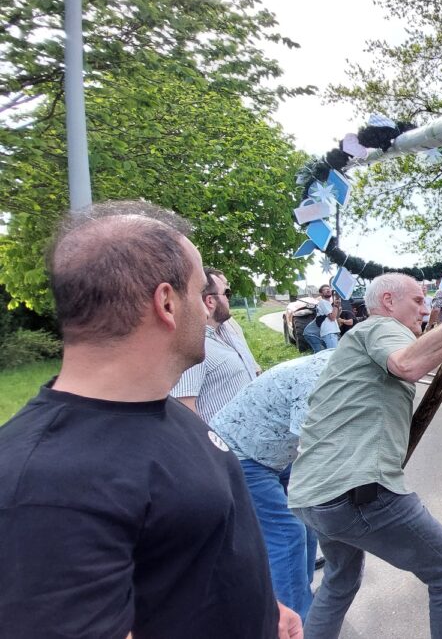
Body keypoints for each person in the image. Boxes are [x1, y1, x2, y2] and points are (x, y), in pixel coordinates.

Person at [0, 201, 300, 638]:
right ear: (166, 302)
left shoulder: (165, 409)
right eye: (200, 294)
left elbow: (188, 558)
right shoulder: (44, 483)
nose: (208, 309)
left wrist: (261, 608)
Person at [289, 269, 442, 639]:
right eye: (417, 299)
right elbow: (408, 364)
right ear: (388, 301)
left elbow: (423, 353)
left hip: (311, 494)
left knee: (340, 580)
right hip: (355, 489)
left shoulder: (358, 339)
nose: (425, 308)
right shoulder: (382, 327)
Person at [209, 349, 336, 622]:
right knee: (287, 532)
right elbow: (315, 445)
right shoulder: (319, 378)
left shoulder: (340, 365)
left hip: (274, 450)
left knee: (307, 519)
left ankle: (299, 595)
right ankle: (294, 618)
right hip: (241, 454)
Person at [170, 266, 259, 424]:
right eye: (226, 293)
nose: (229, 299)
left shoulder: (226, 334)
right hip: (224, 445)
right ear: (210, 301)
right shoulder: (194, 344)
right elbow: (184, 409)